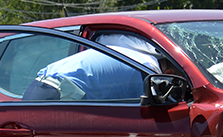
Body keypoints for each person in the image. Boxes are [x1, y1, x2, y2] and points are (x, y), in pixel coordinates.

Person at [22, 35, 162, 101]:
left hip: (37, 87)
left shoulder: (126, 53)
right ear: (169, 72)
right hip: (61, 96)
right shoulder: (148, 70)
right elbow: (148, 112)